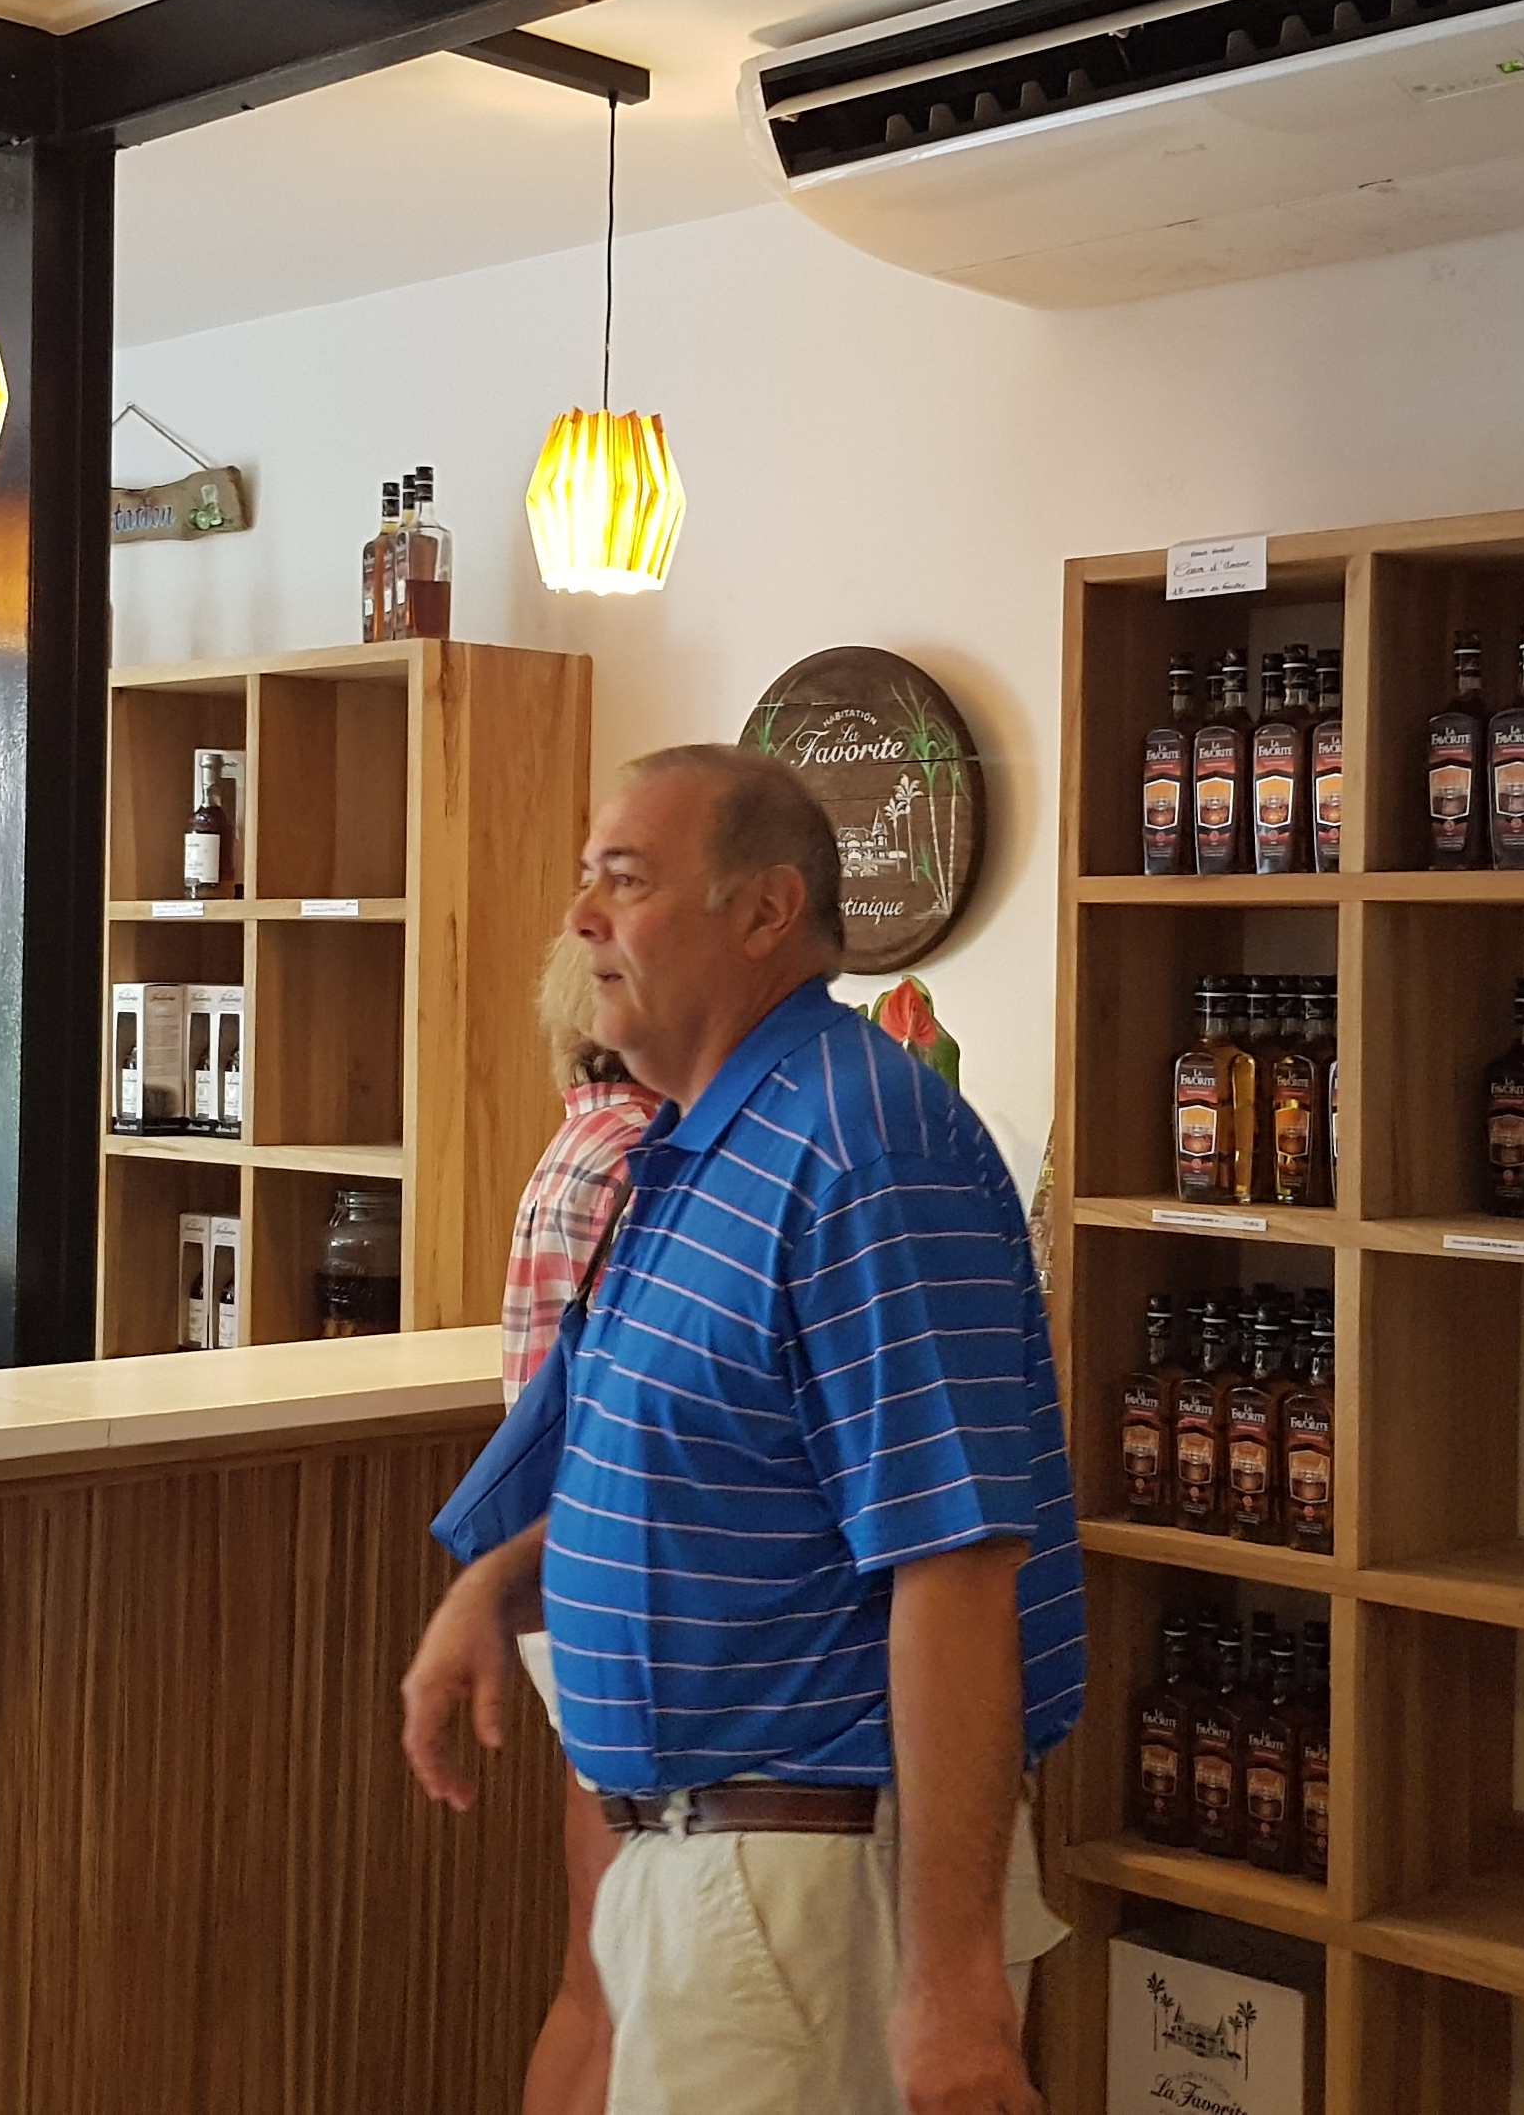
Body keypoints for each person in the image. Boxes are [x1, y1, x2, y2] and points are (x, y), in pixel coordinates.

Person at [401, 746, 1081, 2115]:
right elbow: (708, 1471)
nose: (582, 916)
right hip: (706, 1870)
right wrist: (505, 1581)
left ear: (765, 910)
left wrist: (953, 1989)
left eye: (627, 880)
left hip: (803, 1888)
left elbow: (953, 1564)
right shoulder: (708, 1145)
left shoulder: (863, 1147)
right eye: (586, 878)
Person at [497, 932, 667, 2115]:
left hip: (568, 1587)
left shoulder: (580, 1142)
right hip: (628, 1589)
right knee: (629, 1996)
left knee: (592, 1982)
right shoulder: (652, 1159)